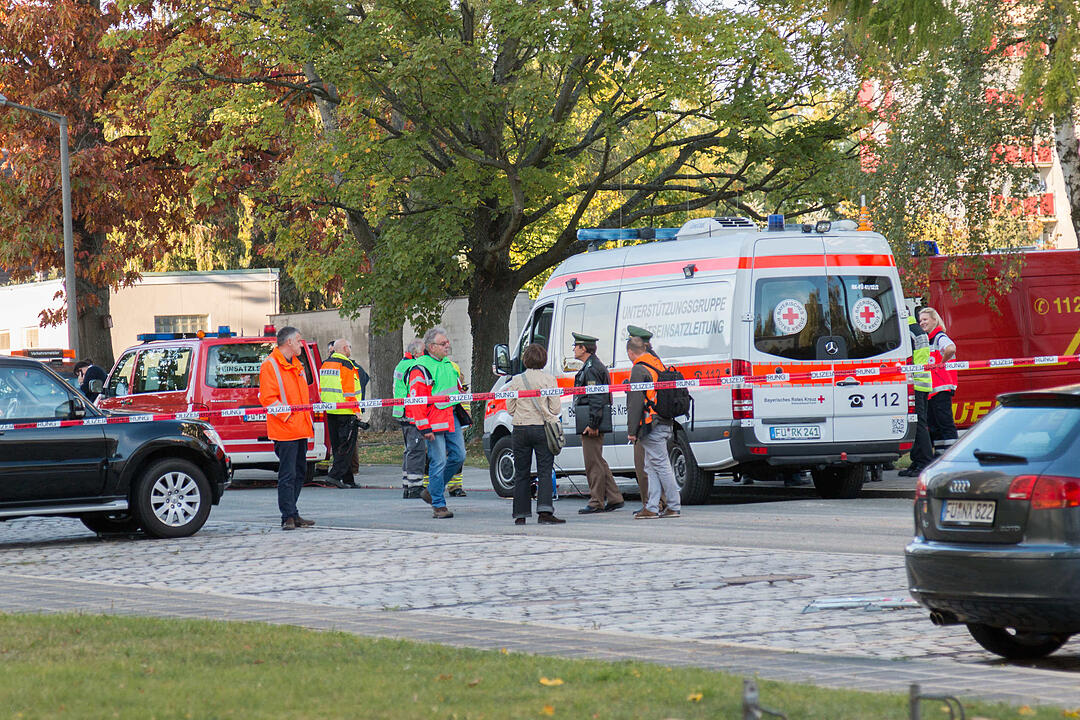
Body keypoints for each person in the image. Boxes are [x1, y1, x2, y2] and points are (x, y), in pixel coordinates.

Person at [259, 326, 315, 531]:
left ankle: (293, 512)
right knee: (288, 474)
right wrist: (289, 415)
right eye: (299, 340)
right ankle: (287, 516)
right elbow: (268, 399)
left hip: (299, 428)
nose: (302, 344)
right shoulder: (271, 365)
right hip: (285, 430)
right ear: (289, 342)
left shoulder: (297, 364)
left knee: (300, 472)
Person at [405, 327, 465, 519]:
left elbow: (453, 390)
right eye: (443, 343)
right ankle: (438, 504)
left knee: (459, 456)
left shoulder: (447, 364)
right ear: (431, 347)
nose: (447, 346)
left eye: (447, 342)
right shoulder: (420, 368)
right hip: (433, 421)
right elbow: (416, 401)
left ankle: (432, 490)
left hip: (450, 415)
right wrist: (424, 427)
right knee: (438, 461)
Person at [504, 343, 565, 525]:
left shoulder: (515, 380)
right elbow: (555, 408)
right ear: (544, 360)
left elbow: (510, 408)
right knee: (544, 470)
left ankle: (520, 514)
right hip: (541, 429)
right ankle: (545, 512)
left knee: (522, 472)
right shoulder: (549, 380)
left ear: (525, 359)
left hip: (520, 428)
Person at [626, 334, 682, 519]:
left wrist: (632, 431)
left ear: (630, 352)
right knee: (651, 466)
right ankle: (652, 507)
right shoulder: (657, 363)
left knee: (661, 465)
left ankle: (674, 505)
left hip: (651, 424)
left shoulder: (639, 369)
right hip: (665, 420)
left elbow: (635, 402)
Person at [572, 332, 624, 514]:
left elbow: (596, 398)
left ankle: (596, 501)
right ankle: (615, 497)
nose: (573, 349)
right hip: (592, 421)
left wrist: (593, 424)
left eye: (576, 346)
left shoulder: (592, 368)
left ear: (583, 348)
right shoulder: (591, 365)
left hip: (592, 423)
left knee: (593, 463)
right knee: (599, 461)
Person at [319, 338, 362, 488]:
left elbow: (322, 388)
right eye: (349, 347)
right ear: (344, 348)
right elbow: (350, 391)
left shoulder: (326, 363)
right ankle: (334, 476)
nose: (350, 349)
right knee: (347, 447)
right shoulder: (346, 365)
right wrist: (357, 411)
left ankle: (348, 479)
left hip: (331, 411)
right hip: (346, 410)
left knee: (339, 446)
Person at [918, 307, 959, 458]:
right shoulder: (929, 339)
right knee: (935, 426)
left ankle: (953, 456)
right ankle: (941, 456)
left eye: (925, 319)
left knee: (945, 424)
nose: (922, 322)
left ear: (934, 320)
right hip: (933, 390)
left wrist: (940, 364)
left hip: (942, 388)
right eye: (920, 320)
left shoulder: (939, 337)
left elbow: (951, 348)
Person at [899, 313, 934, 477]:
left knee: (919, 423)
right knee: (917, 422)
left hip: (916, 382)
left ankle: (925, 461)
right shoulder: (916, 330)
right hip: (922, 381)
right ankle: (917, 460)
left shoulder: (908, 331)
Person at [394, 339, 427, 499]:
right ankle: (414, 486)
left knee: (409, 450)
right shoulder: (412, 367)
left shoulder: (402, 364)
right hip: (411, 413)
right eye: (423, 352)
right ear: (416, 353)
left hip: (402, 412)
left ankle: (408, 484)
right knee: (416, 450)